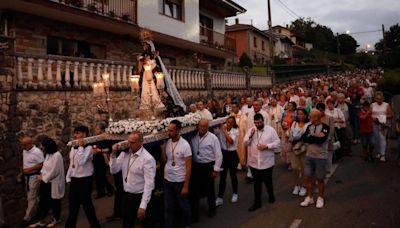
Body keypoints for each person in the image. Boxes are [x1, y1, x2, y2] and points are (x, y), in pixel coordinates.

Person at [110, 132, 156, 228]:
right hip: (127, 196)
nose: (130, 145)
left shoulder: (147, 159)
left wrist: (143, 206)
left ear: (141, 142)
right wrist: (113, 154)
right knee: (127, 224)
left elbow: (149, 184)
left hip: (140, 196)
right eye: (129, 142)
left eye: (133, 142)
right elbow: (114, 170)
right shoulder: (125, 153)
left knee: (147, 224)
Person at [65, 126, 101, 228]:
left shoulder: (88, 148)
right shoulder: (73, 147)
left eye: (78, 133)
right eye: (75, 133)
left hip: (85, 180)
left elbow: (81, 162)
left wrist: (81, 147)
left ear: (84, 134)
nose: (75, 135)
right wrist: (68, 177)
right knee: (73, 206)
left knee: (87, 205)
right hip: (75, 179)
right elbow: (72, 163)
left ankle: (95, 225)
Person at [244, 113, 280, 212]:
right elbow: (245, 143)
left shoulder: (271, 130)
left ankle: (271, 195)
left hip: (267, 162)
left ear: (263, 121)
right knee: (257, 184)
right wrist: (250, 136)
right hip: (254, 163)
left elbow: (277, 143)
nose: (258, 124)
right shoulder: (251, 130)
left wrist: (267, 146)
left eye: (259, 122)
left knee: (268, 181)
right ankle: (257, 203)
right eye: (256, 123)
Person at [190, 119, 222, 221]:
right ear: (198, 126)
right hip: (196, 166)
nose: (202, 128)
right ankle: (195, 214)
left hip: (208, 166)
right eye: (201, 126)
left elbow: (219, 155)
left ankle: (212, 208)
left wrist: (215, 170)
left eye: (205, 126)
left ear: (208, 127)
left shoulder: (213, 138)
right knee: (194, 190)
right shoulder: (193, 137)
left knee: (209, 189)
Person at [161, 120, 192, 228]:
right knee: (168, 206)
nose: (168, 133)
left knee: (183, 206)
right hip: (167, 180)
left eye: (171, 130)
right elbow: (165, 161)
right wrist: (163, 150)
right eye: (168, 130)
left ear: (178, 130)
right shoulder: (168, 142)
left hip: (179, 181)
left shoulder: (185, 145)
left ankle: (187, 225)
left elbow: (188, 167)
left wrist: (186, 186)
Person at [29, 138, 65, 228]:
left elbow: (55, 171)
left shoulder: (57, 155)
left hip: (53, 183)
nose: (42, 148)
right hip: (45, 182)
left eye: (43, 146)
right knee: (43, 202)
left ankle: (56, 219)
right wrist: (41, 174)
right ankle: (41, 220)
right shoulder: (48, 154)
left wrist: (43, 178)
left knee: (54, 202)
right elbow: (45, 167)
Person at [300, 109, 330, 209]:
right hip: (309, 156)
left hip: (320, 157)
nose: (309, 117)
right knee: (308, 177)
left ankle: (320, 197)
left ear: (316, 117)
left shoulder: (325, 127)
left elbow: (321, 140)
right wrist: (314, 137)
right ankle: (309, 197)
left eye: (311, 116)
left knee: (320, 178)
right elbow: (304, 138)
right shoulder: (309, 126)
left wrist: (311, 137)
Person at [215, 116, 240, 206]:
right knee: (222, 177)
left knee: (233, 175)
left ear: (233, 123)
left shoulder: (236, 131)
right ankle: (220, 197)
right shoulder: (221, 128)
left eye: (231, 123)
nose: (228, 124)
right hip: (223, 154)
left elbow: (230, 141)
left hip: (233, 154)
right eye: (227, 122)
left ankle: (235, 193)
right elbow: (213, 132)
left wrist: (224, 130)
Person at [19, 136, 44, 222]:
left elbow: (42, 164)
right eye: (22, 144)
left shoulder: (37, 152)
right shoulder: (25, 150)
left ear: (30, 144)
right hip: (26, 177)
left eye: (24, 145)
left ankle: (27, 218)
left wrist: (29, 169)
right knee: (32, 196)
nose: (23, 146)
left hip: (34, 177)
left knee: (31, 197)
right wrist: (22, 172)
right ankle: (38, 213)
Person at [288, 108, 310, 197]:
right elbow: (290, 134)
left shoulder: (308, 124)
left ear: (305, 115)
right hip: (294, 148)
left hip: (304, 149)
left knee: (304, 168)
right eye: (299, 114)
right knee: (295, 168)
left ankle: (304, 186)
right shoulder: (294, 123)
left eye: (302, 114)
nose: (300, 116)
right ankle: (297, 184)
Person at [92, 122, 114, 199]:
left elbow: (109, 149)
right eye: (96, 129)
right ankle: (101, 193)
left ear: (102, 129)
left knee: (102, 176)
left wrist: (100, 150)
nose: (96, 130)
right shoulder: (96, 137)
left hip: (103, 158)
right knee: (97, 177)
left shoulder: (106, 137)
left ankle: (110, 189)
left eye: (97, 129)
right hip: (96, 158)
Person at [371, 91, 393, 162]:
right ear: (375, 99)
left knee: (382, 138)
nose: (379, 100)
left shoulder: (386, 105)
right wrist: (373, 118)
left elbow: (391, 114)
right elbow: (369, 113)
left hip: (383, 124)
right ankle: (378, 152)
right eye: (377, 99)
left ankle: (383, 154)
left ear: (383, 99)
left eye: (380, 99)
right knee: (376, 138)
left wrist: (383, 117)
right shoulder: (372, 105)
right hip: (374, 123)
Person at [230, 102, 247, 169]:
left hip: (241, 135)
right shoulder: (231, 115)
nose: (233, 109)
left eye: (234, 107)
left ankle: (240, 164)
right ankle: (235, 164)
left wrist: (239, 127)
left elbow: (245, 125)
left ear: (238, 107)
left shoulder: (243, 115)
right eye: (232, 107)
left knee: (240, 150)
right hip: (233, 136)